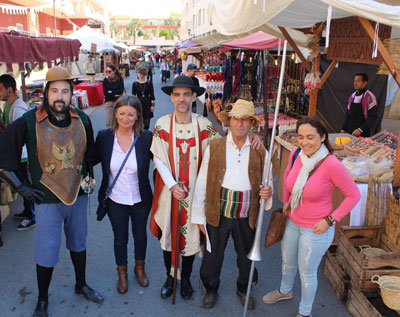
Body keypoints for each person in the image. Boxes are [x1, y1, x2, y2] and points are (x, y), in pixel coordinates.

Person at [0, 66, 104, 316]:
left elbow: (88, 156)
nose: (60, 96)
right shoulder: (27, 121)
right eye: (55, 90)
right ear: (46, 92)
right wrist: (22, 187)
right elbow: (5, 157)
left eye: (65, 91)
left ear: (71, 93)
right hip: (46, 199)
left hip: (77, 196)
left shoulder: (83, 119)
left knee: (79, 244)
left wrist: (88, 178)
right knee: (46, 251)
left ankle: (81, 285)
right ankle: (43, 298)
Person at [150, 76, 262, 301]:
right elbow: (158, 158)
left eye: (186, 94)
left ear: (193, 97)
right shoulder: (162, 123)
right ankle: (170, 277)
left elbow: (226, 146)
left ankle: (187, 278)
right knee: (170, 234)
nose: (182, 99)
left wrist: (250, 136)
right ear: (172, 97)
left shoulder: (204, 125)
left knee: (190, 234)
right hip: (171, 192)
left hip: (194, 193)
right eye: (177, 94)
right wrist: (172, 186)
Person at [262, 117, 360, 317]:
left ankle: (305, 313)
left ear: (323, 137)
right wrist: (287, 200)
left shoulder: (331, 163)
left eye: (310, 137)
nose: (305, 142)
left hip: (316, 228)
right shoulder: (297, 154)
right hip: (292, 221)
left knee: (307, 272)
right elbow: (289, 175)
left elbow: (354, 195)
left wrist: (330, 220)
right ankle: (285, 290)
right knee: (287, 261)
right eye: (301, 137)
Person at [191, 99, 273, 310]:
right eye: (236, 119)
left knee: (247, 256)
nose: (240, 124)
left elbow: (268, 181)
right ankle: (210, 288)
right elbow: (202, 181)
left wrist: (268, 191)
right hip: (218, 211)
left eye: (245, 120)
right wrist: (199, 216)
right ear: (229, 122)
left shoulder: (261, 151)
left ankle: (244, 288)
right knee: (213, 256)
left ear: (251, 124)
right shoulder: (215, 146)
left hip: (247, 213)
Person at [89, 95, 153, 294]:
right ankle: (122, 273)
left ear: (138, 116)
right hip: (115, 198)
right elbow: (89, 159)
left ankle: (139, 268)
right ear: (115, 114)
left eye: (131, 114)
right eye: (122, 113)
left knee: (140, 235)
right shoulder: (104, 137)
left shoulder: (146, 138)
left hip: (140, 198)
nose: (126, 118)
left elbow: (163, 161)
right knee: (120, 237)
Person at [0, 74, 35, 231]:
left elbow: (22, 135)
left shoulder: (18, 108)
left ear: (9, 89)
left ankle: (32, 215)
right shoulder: (9, 105)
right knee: (21, 185)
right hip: (15, 154)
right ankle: (28, 211)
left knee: (23, 185)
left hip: (20, 155)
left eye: (0, 89)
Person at [341, 73, 378, 137]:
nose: (355, 83)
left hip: (363, 133)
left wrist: (360, 129)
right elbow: (348, 115)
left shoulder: (369, 97)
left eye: (358, 81)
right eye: (354, 81)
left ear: (365, 83)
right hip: (350, 132)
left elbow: (373, 118)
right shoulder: (352, 96)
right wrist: (343, 129)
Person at [103, 64, 125, 129]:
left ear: (114, 71)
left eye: (109, 71)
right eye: (106, 72)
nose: (108, 73)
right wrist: (115, 93)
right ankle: (108, 136)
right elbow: (105, 93)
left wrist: (111, 92)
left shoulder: (119, 79)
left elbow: (121, 90)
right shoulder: (105, 80)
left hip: (118, 101)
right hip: (108, 102)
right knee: (108, 121)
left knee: (118, 121)